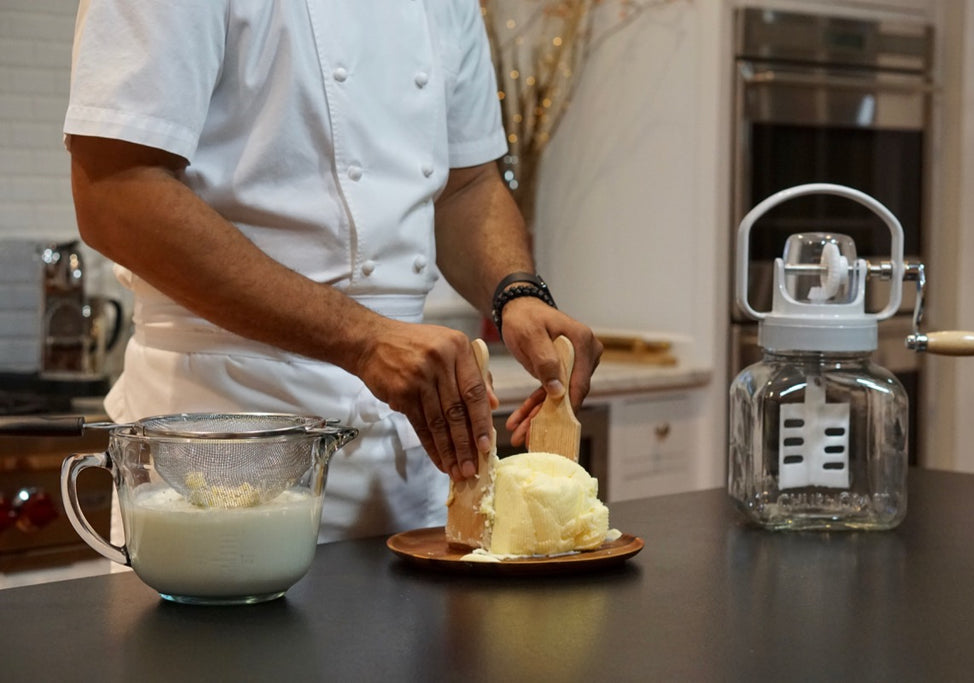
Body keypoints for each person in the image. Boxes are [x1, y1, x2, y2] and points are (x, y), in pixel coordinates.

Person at [63, 2, 602, 540]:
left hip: (412, 463)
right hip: (221, 440)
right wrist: (366, 341)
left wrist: (518, 293)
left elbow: (467, 186)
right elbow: (115, 193)